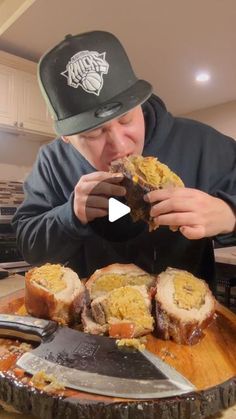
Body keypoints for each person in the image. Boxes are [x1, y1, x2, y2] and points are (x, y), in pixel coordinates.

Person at [12, 31, 236, 294]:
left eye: (126, 119)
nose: (119, 145)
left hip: (184, 318)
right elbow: (30, 247)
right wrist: (69, 216)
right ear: (66, 137)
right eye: (93, 133)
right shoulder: (52, 162)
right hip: (90, 324)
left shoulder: (201, 143)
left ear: (140, 104)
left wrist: (229, 214)